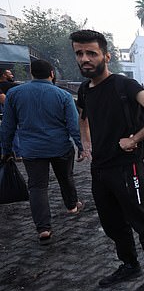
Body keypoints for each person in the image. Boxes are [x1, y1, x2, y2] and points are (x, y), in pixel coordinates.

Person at [70, 29, 144, 291]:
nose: (85, 59)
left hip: (128, 167)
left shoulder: (124, 85)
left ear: (106, 56)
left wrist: (135, 138)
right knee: (112, 222)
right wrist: (86, 143)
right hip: (100, 169)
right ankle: (130, 265)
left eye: (91, 53)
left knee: (142, 220)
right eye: (79, 53)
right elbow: (83, 118)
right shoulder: (84, 89)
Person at [0, 60, 84, 245]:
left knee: (37, 187)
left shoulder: (14, 94)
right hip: (60, 146)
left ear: (31, 73)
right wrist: (81, 147)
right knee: (65, 177)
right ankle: (71, 206)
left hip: (32, 149)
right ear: (52, 73)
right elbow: (73, 124)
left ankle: (44, 229)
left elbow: (7, 126)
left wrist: (7, 150)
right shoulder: (62, 95)